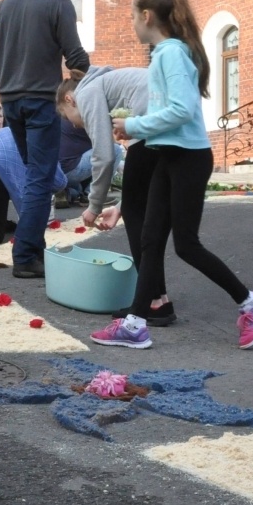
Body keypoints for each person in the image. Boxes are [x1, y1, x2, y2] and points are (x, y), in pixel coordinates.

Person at [90, 0, 253, 351]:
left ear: (146, 17)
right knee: (150, 240)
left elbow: (182, 110)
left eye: (132, 16)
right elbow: (170, 111)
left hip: (187, 158)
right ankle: (136, 324)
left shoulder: (170, 55)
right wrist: (141, 126)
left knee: (186, 245)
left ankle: (252, 303)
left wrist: (133, 126)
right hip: (169, 155)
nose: (132, 24)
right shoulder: (166, 54)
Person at [0, 0, 89, 278]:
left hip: (10, 101)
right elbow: (76, 57)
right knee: (40, 178)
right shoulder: (59, 4)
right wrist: (80, 73)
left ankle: (34, 248)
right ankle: (26, 255)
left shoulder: (5, 5)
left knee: (34, 172)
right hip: (41, 100)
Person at [57, 69, 170, 323]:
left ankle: (153, 301)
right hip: (166, 125)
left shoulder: (86, 93)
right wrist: (120, 204)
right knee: (143, 212)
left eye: (69, 118)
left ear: (69, 100)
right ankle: (160, 300)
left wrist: (94, 206)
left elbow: (104, 155)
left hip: (150, 127)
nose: (75, 124)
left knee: (138, 218)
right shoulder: (106, 84)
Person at [55, 115, 94, 207]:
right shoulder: (81, 117)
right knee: (114, 150)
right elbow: (105, 146)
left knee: (77, 190)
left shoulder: (61, 116)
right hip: (71, 168)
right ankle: (90, 194)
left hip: (57, 171)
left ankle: (67, 192)